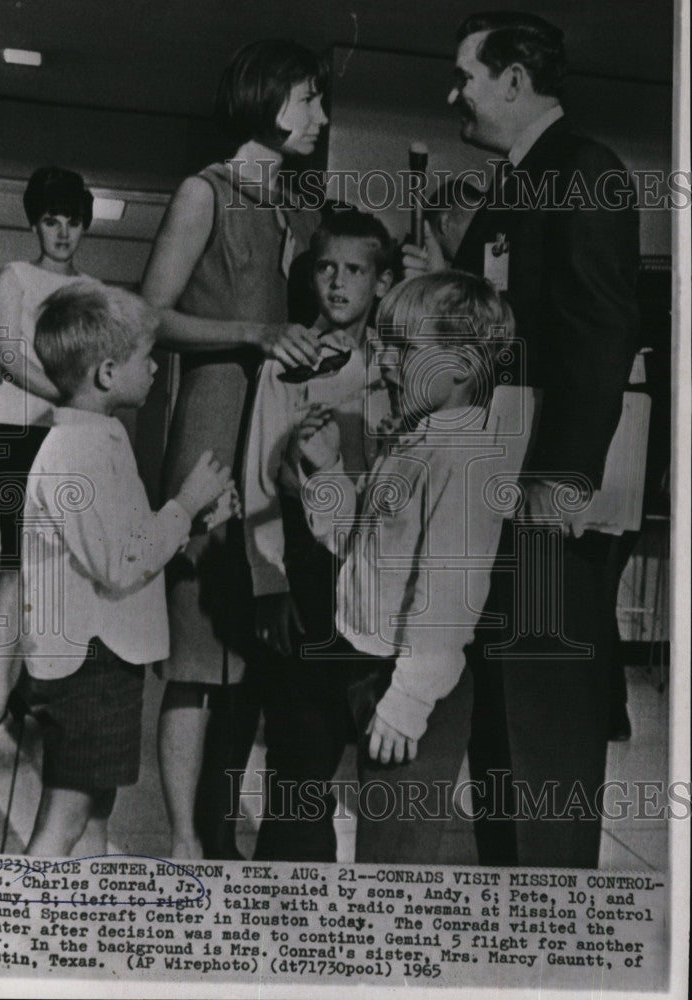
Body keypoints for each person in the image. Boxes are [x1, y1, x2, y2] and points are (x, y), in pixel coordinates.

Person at [427, 11, 639, 867]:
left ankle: (549, 929)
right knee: (501, 719)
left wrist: (562, 483)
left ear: (513, 80)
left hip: (543, 501)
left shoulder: (582, 171)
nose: (454, 94)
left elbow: (598, 336)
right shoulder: (516, 186)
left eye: (465, 77)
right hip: (494, 494)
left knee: (541, 718)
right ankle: (513, 915)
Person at [141, 39, 329, 860]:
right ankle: (187, 840)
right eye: (307, 100)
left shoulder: (287, 209)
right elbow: (149, 316)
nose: (319, 118)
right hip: (211, 432)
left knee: (251, 653)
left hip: (268, 434)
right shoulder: (202, 191)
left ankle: (220, 834)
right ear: (264, 101)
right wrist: (255, 331)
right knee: (193, 653)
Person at [295, 272, 533, 863]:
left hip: (418, 683)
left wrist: (408, 703)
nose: (387, 361)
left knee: (396, 856)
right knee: (381, 843)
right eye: (385, 345)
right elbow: (356, 545)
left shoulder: (466, 456)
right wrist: (326, 472)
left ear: (461, 362)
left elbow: (449, 599)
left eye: (404, 347)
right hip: (373, 668)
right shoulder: (411, 440)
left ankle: (391, 950)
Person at [18, 283, 236, 856]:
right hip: (89, 661)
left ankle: (79, 921)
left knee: (94, 809)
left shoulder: (96, 438)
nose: (158, 368)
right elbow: (119, 564)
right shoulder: (79, 453)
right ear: (109, 373)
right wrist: (184, 506)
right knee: (66, 814)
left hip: (100, 657)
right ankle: (13, 930)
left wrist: (188, 521)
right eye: (146, 357)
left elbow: (121, 541)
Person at [242, 207, 394, 860]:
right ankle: (285, 908)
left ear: (379, 282)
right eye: (325, 266)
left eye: (354, 269)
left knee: (383, 767)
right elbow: (256, 478)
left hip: (380, 582)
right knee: (299, 764)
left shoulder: (399, 366)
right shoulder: (285, 365)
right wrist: (268, 581)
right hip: (306, 576)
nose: (336, 282)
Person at [0, 167, 98, 743]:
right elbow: (10, 357)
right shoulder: (16, 277)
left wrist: (85, 404)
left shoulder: (93, 292)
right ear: (34, 223)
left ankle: (40, 690)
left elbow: (103, 373)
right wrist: (69, 392)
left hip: (76, 441)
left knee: (67, 571)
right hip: (21, 436)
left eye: (73, 221)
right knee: (19, 565)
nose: (63, 232)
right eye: (52, 220)